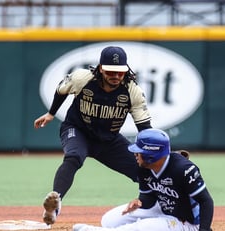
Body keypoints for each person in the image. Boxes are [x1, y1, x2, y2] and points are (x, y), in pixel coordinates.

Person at [34, 46, 152, 226]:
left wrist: (153, 155)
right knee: (73, 157)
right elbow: (61, 90)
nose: (116, 76)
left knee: (145, 171)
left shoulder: (132, 90)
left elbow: (144, 128)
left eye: (120, 72)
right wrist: (51, 113)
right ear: (101, 68)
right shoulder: (82, 78)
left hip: (108, 140)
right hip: (78, 130)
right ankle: (55, 204)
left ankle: (158, 209)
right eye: (111, 71)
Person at [72, 128, 214, 231]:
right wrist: (138, 202)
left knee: (146, 227)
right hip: (164, 209)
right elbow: (148, 200)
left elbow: (206, 201)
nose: (135, 154)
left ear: (151, 155)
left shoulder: (183, 169)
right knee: (109, 220)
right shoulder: (143, 167)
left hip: (188, 222)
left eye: (139, 152)